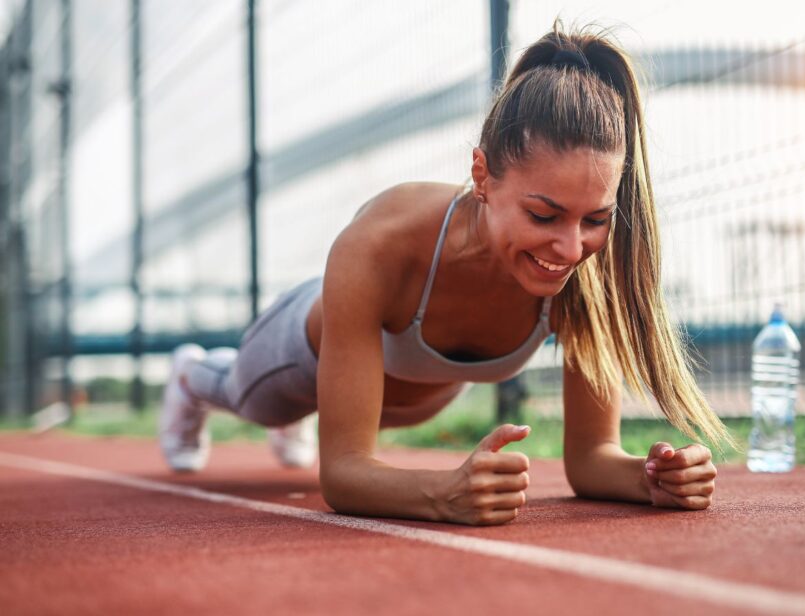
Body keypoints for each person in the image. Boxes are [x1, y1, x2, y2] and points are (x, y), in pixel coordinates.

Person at [159, 21, 738, 526]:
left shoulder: (587, 270)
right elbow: (342, 476)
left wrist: (650, 478)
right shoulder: (379, 245)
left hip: (414, 393)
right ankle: (191, 377)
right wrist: (444, 493)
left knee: (357, 414)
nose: (569, 246)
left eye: (596, 218)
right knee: (251, 398)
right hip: (300, 359)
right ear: (482, 176)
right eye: (543, 214)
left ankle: (312, 414)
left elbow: (591, 457)